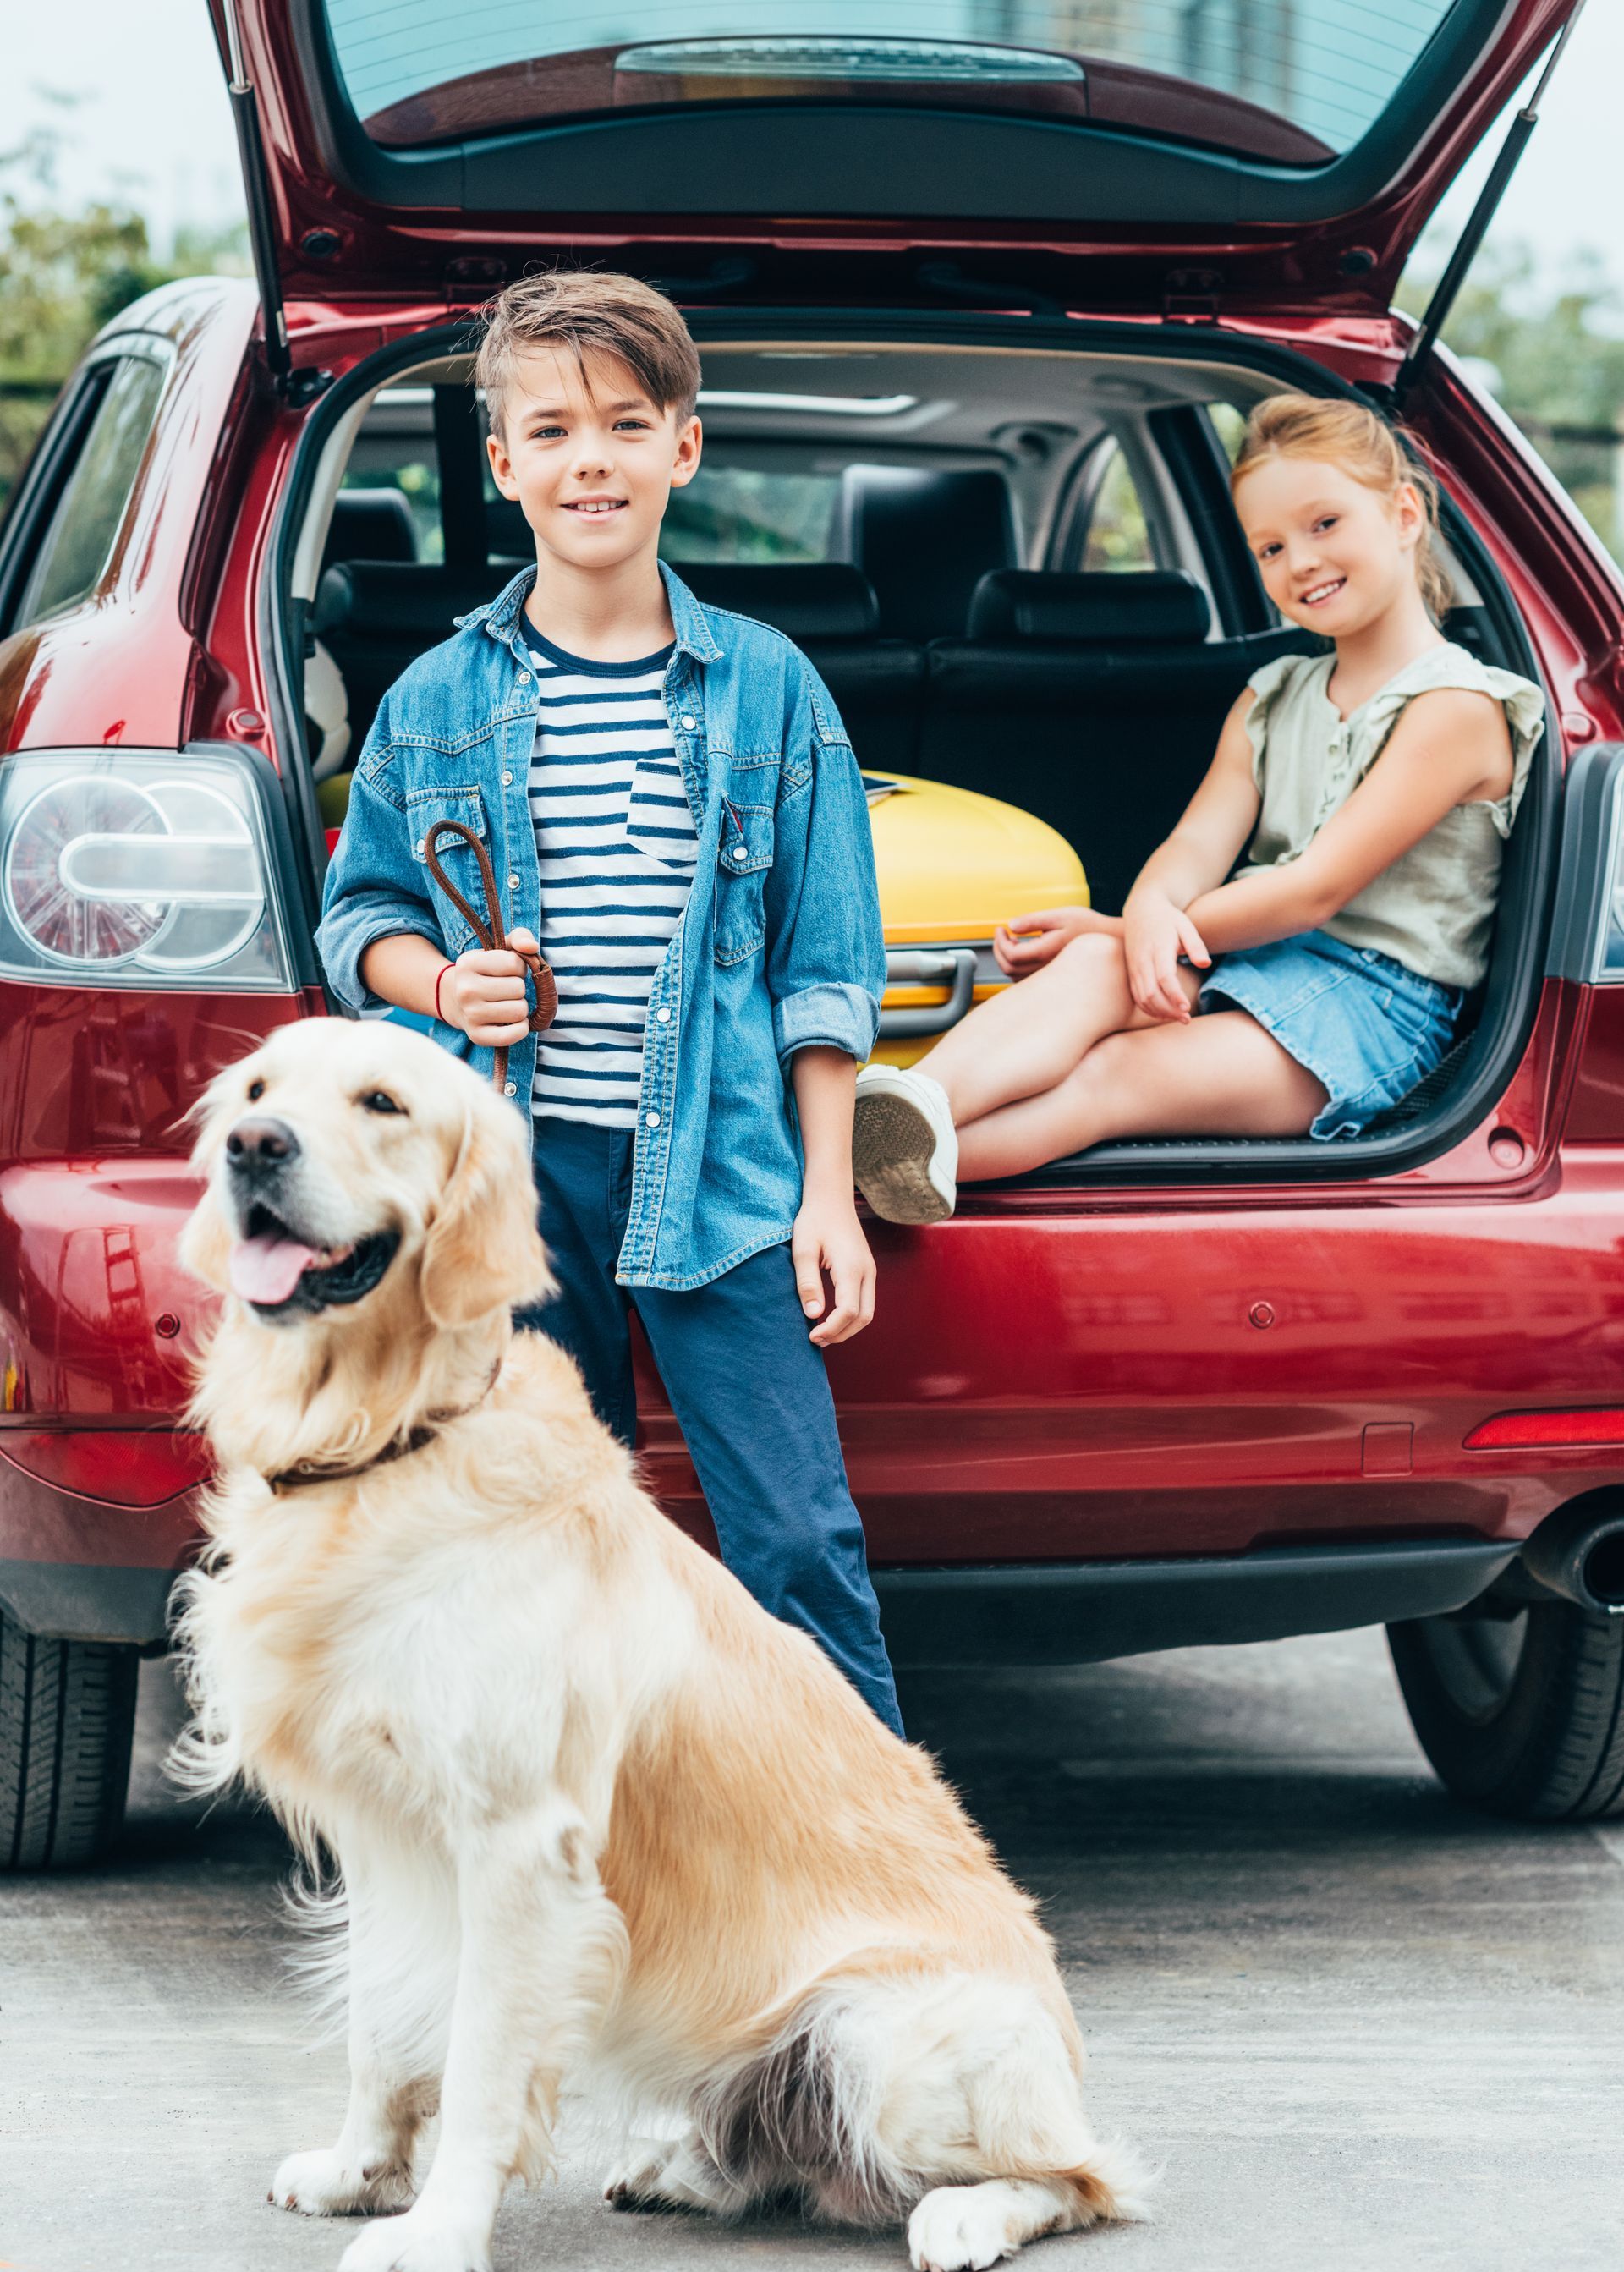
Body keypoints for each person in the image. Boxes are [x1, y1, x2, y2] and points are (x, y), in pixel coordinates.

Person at [316, 271, 903, 1734]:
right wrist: (438, 980)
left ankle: (875, 1856)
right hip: (511, 1186)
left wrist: (828, 1197)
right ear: (503, 463)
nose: (594, 458)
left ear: (683, 450)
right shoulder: (435, 698)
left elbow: (822, 974)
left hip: (723, 1169)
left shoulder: (769, 688)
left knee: (795, 1540)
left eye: (628, 425)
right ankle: (582, 1860)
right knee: (534, 1545)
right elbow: (360, 918)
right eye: (554, 429)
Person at [849, 394, 1546, 1224]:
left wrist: (1136, 931)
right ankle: (904, 1111)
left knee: (1116, 1076)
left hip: (1374, 1009)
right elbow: (1192, 845)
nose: (1301, 562)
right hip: (1254, 954)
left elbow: (1313, 890)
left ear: (1403, 513)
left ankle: (851, 1172)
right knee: (1093, 969)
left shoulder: (1455, 709)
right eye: (1271, 547)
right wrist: (1139, 915)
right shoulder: (1271, 696)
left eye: (1325, 524)